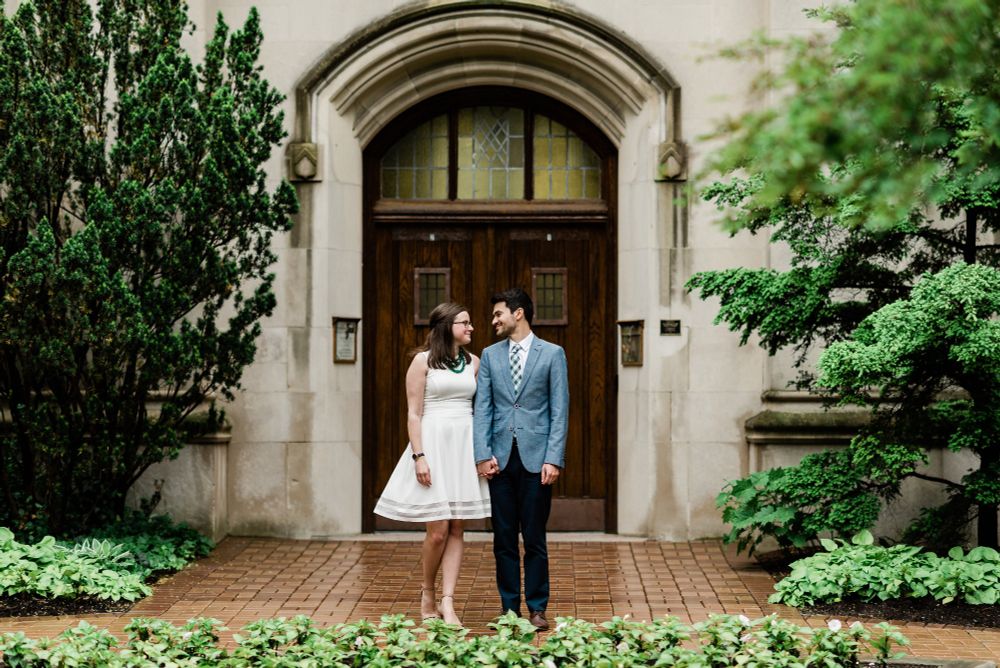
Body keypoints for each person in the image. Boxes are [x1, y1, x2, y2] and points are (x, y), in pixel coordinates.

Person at [374, 303, 490, 626]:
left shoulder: (474, 363)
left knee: (457, 527)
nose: (471, 328)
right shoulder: (421, 362)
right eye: (465, 323)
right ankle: (427, 590)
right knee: (437, 531)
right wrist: (419, 455)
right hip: (434, 446)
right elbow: (414, 413)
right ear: (446, 325)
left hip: (462, 448)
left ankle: (448, 601)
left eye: (471, 322)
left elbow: (480, 412)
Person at [473, 288, 569, 631]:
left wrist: (553, 459)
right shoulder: (489, 355)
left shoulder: (553, 354)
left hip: (536, 459)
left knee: (534, 537)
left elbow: (560, 411)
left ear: (518, 314)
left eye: (498, 313)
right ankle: (509, 609)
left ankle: (538, 608)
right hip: (499, 460)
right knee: (503, 538)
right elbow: (482, 409)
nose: (493, 320)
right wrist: (482, 455)